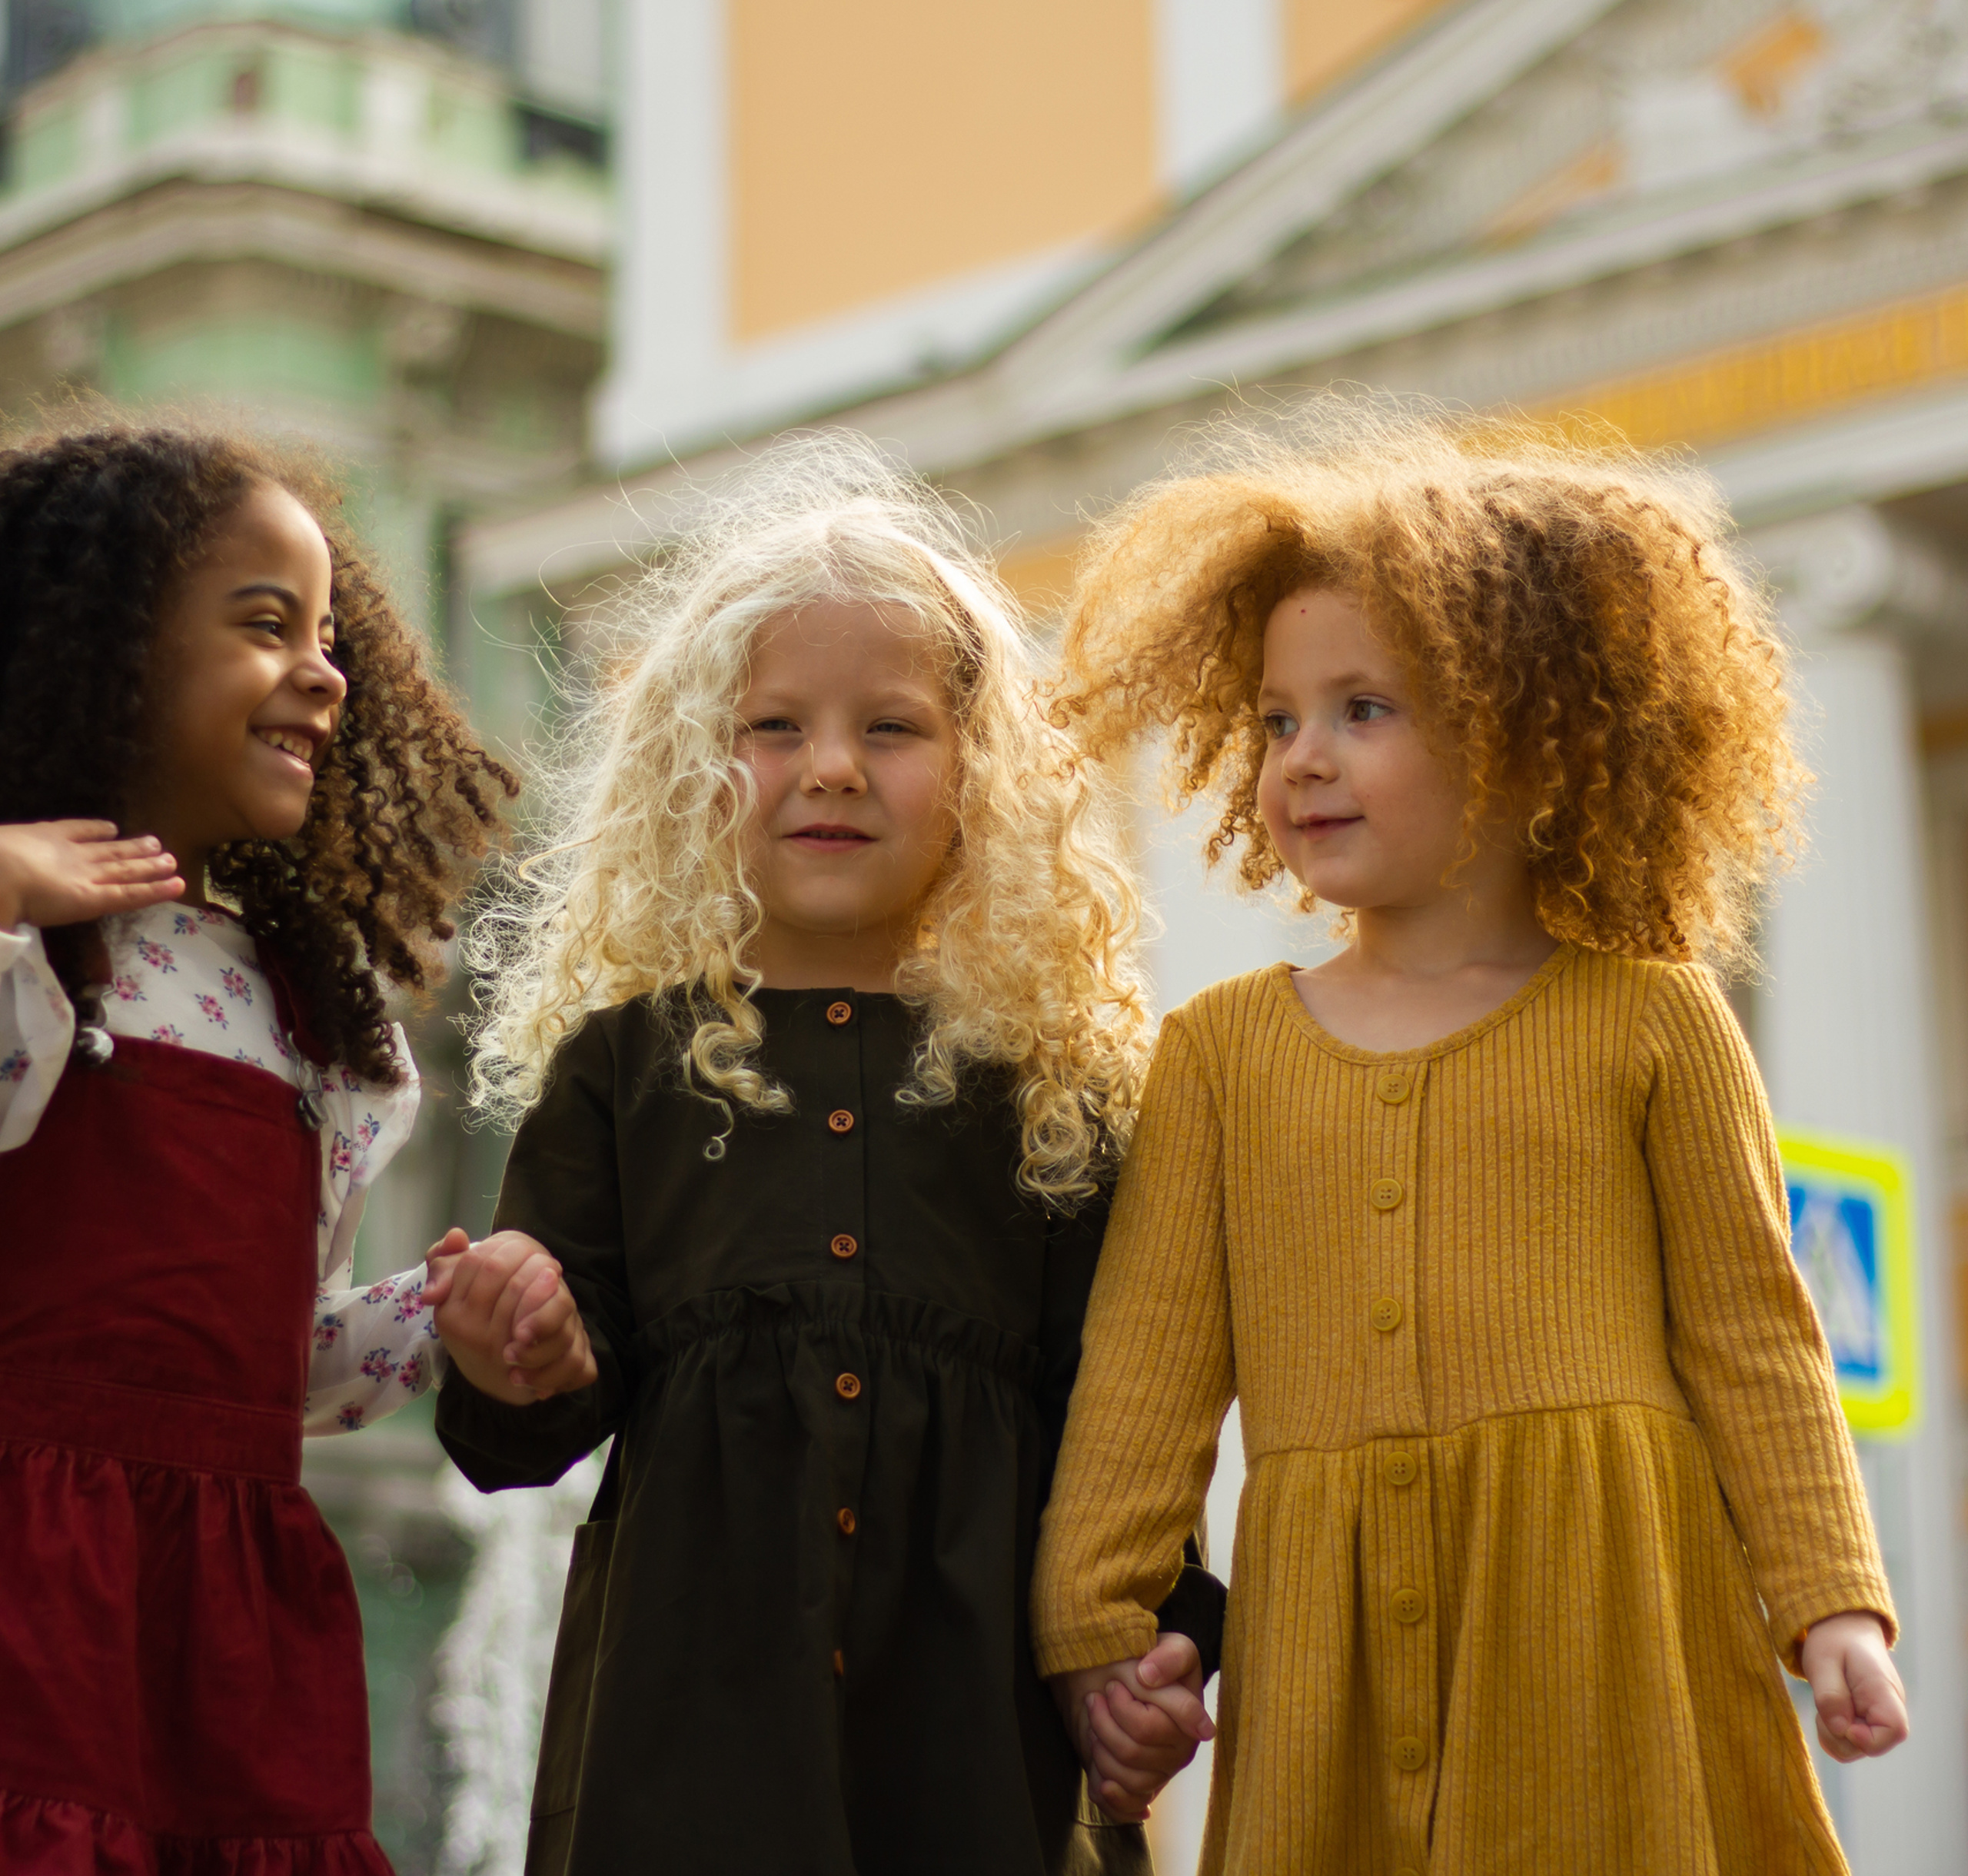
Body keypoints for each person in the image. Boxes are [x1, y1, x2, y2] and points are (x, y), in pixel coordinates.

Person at [1029, 404, 1907, 1876]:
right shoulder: (1220, 1055)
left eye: (1365, 709)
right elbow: (1146, 1373)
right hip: (1330, 1663)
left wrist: (1833, 1607)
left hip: (1610, 1634)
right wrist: (1097, 1635)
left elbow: (1760, 1339)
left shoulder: (1654, 1018)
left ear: (1530, 735)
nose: (1303, 756)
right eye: (1276, 719)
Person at [433, 436, 1223, 1876]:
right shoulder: (626, 1066)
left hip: (981, 1746)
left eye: (895, 728)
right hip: (692, 1755)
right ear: (691, 771)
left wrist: (1149, 1657)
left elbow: (1126, 1426)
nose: (835, 768)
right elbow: (533, 1415)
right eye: (775, 727)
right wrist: (514, 1350)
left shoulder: (1056, 1098)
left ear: (984, 774)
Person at [0, 420, 585, 1871]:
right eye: (268, 627)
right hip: (28, 1577)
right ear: (110, 649)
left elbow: (270, 1361)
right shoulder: (33, 950)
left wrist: (429, 1321)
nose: (323, 673)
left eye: (331, 635)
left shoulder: (309, 1017)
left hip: (233, 1601)